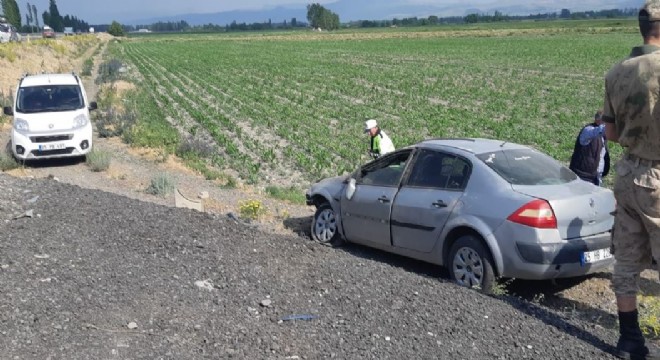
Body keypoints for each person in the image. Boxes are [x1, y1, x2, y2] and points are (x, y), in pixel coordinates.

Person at [602, 1, 660, 359]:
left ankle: (629, 341)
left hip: (627, 175)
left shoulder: (615, 72)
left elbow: (609, 132)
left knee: (625, 260)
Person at [569, 110, 610, 185]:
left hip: (596, 178)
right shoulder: (588, 131)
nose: (608, 124)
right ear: (598, 121)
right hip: (582, 177)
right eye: (606, 122)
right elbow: (599, 131)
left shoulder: (603, 138)